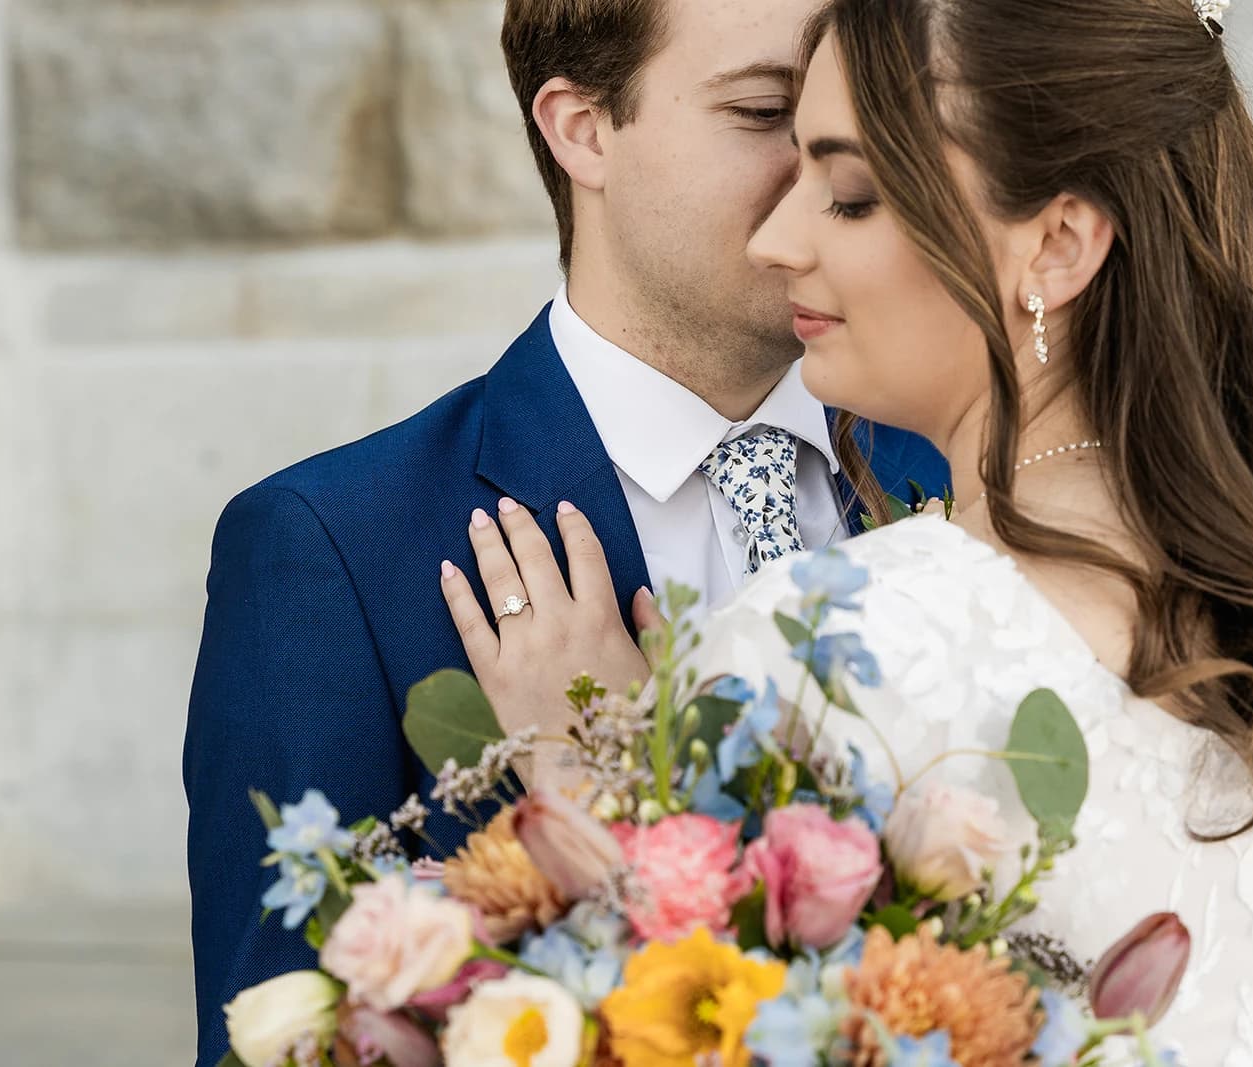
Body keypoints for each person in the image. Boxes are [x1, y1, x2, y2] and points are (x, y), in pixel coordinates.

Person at [443, 0, 1253, 1061]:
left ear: (1057, 244)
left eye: (849, 195)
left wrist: (593, 777)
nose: (780, 239)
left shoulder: (817, 649)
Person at [181, 0, 946, 1061]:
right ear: (582, 128)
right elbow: (281, 1033)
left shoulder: (964, 470)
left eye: (849, 125)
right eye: (767, 112)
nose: (824, 184)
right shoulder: (334, 549)